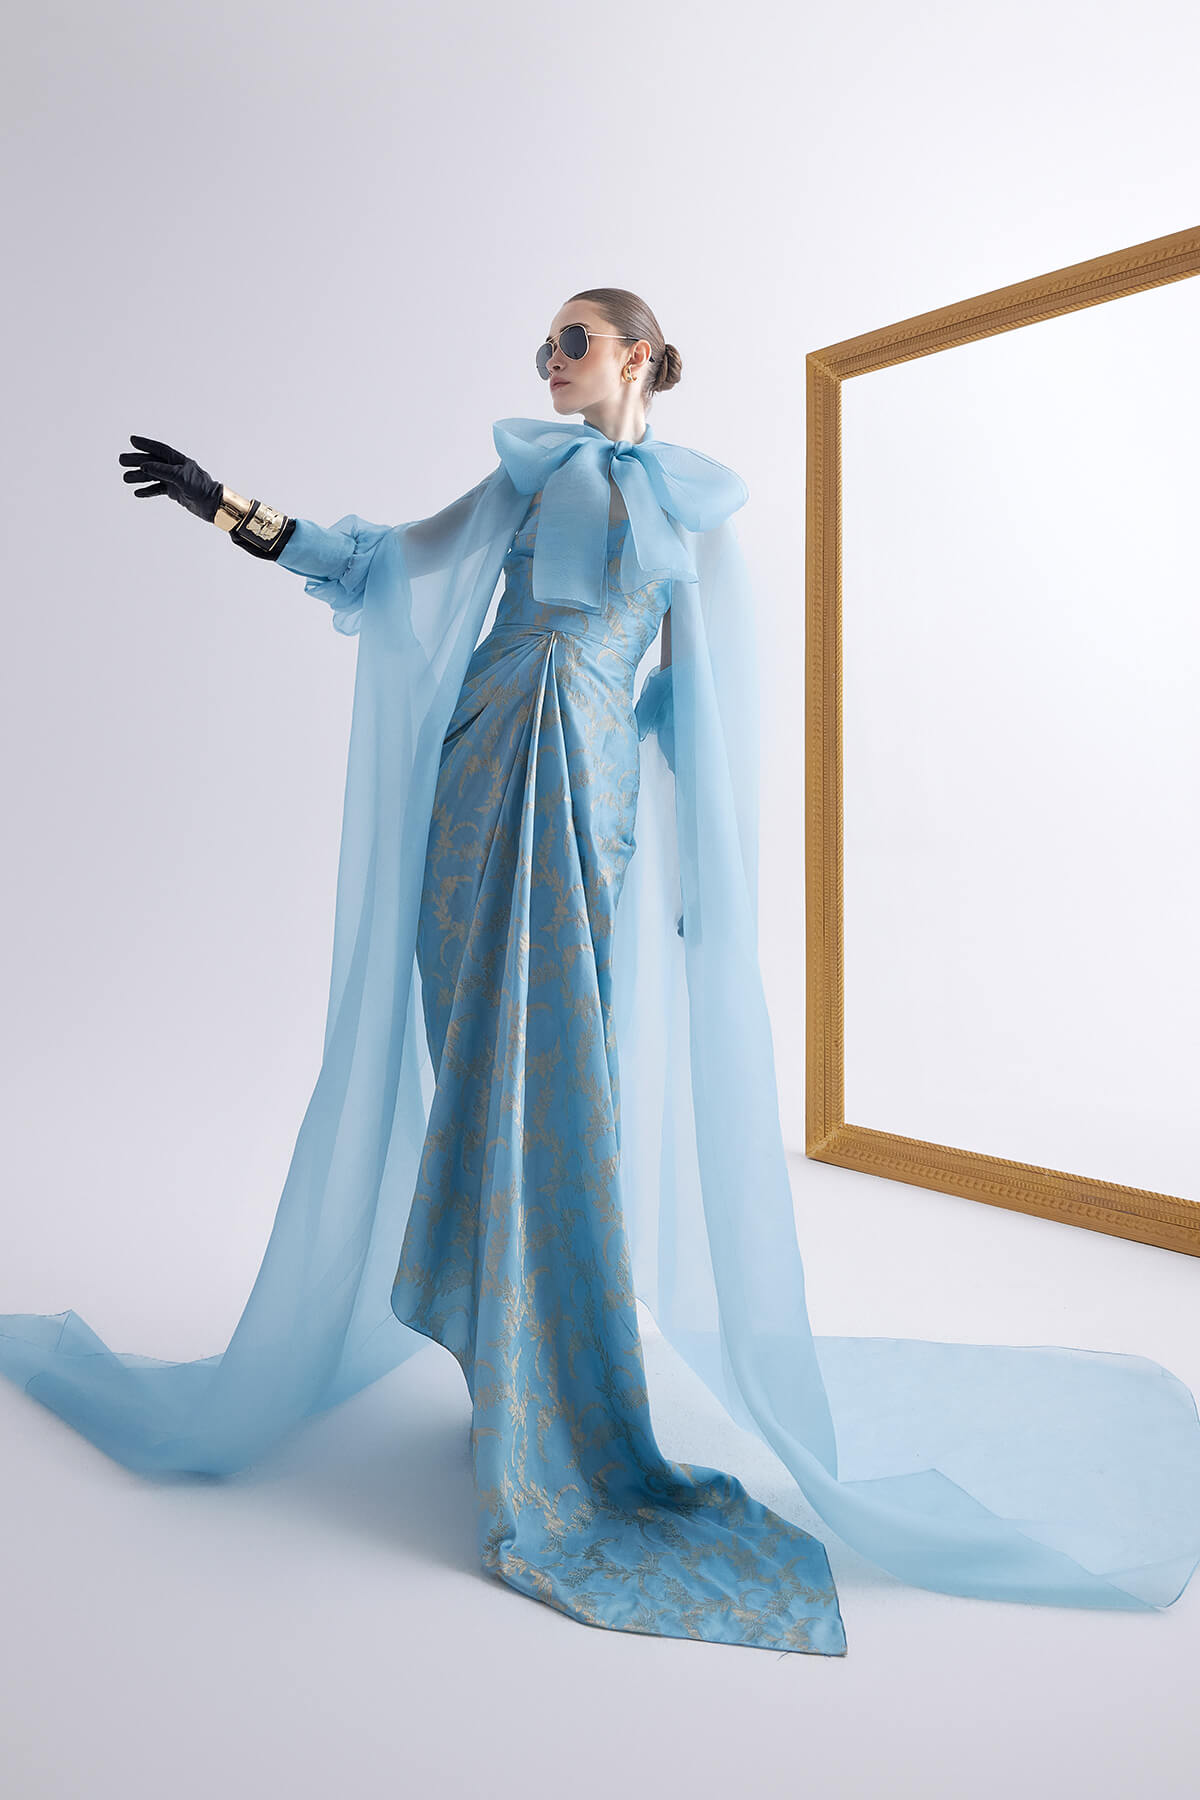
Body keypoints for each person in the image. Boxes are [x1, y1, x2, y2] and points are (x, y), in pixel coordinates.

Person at [3, 289, 1199, 1658]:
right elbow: (385, 567)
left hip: (590, 784)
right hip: (478, 774)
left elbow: (705, 705)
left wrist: (706, 884)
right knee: (476, 1056)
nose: (550, 360)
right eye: (544, 344)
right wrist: (228, 507)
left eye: (574, 341)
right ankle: (504, 1360)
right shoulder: (527, 478)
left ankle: (555, 1384)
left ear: (640, 354)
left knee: (565, 1073)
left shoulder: (696, 508)